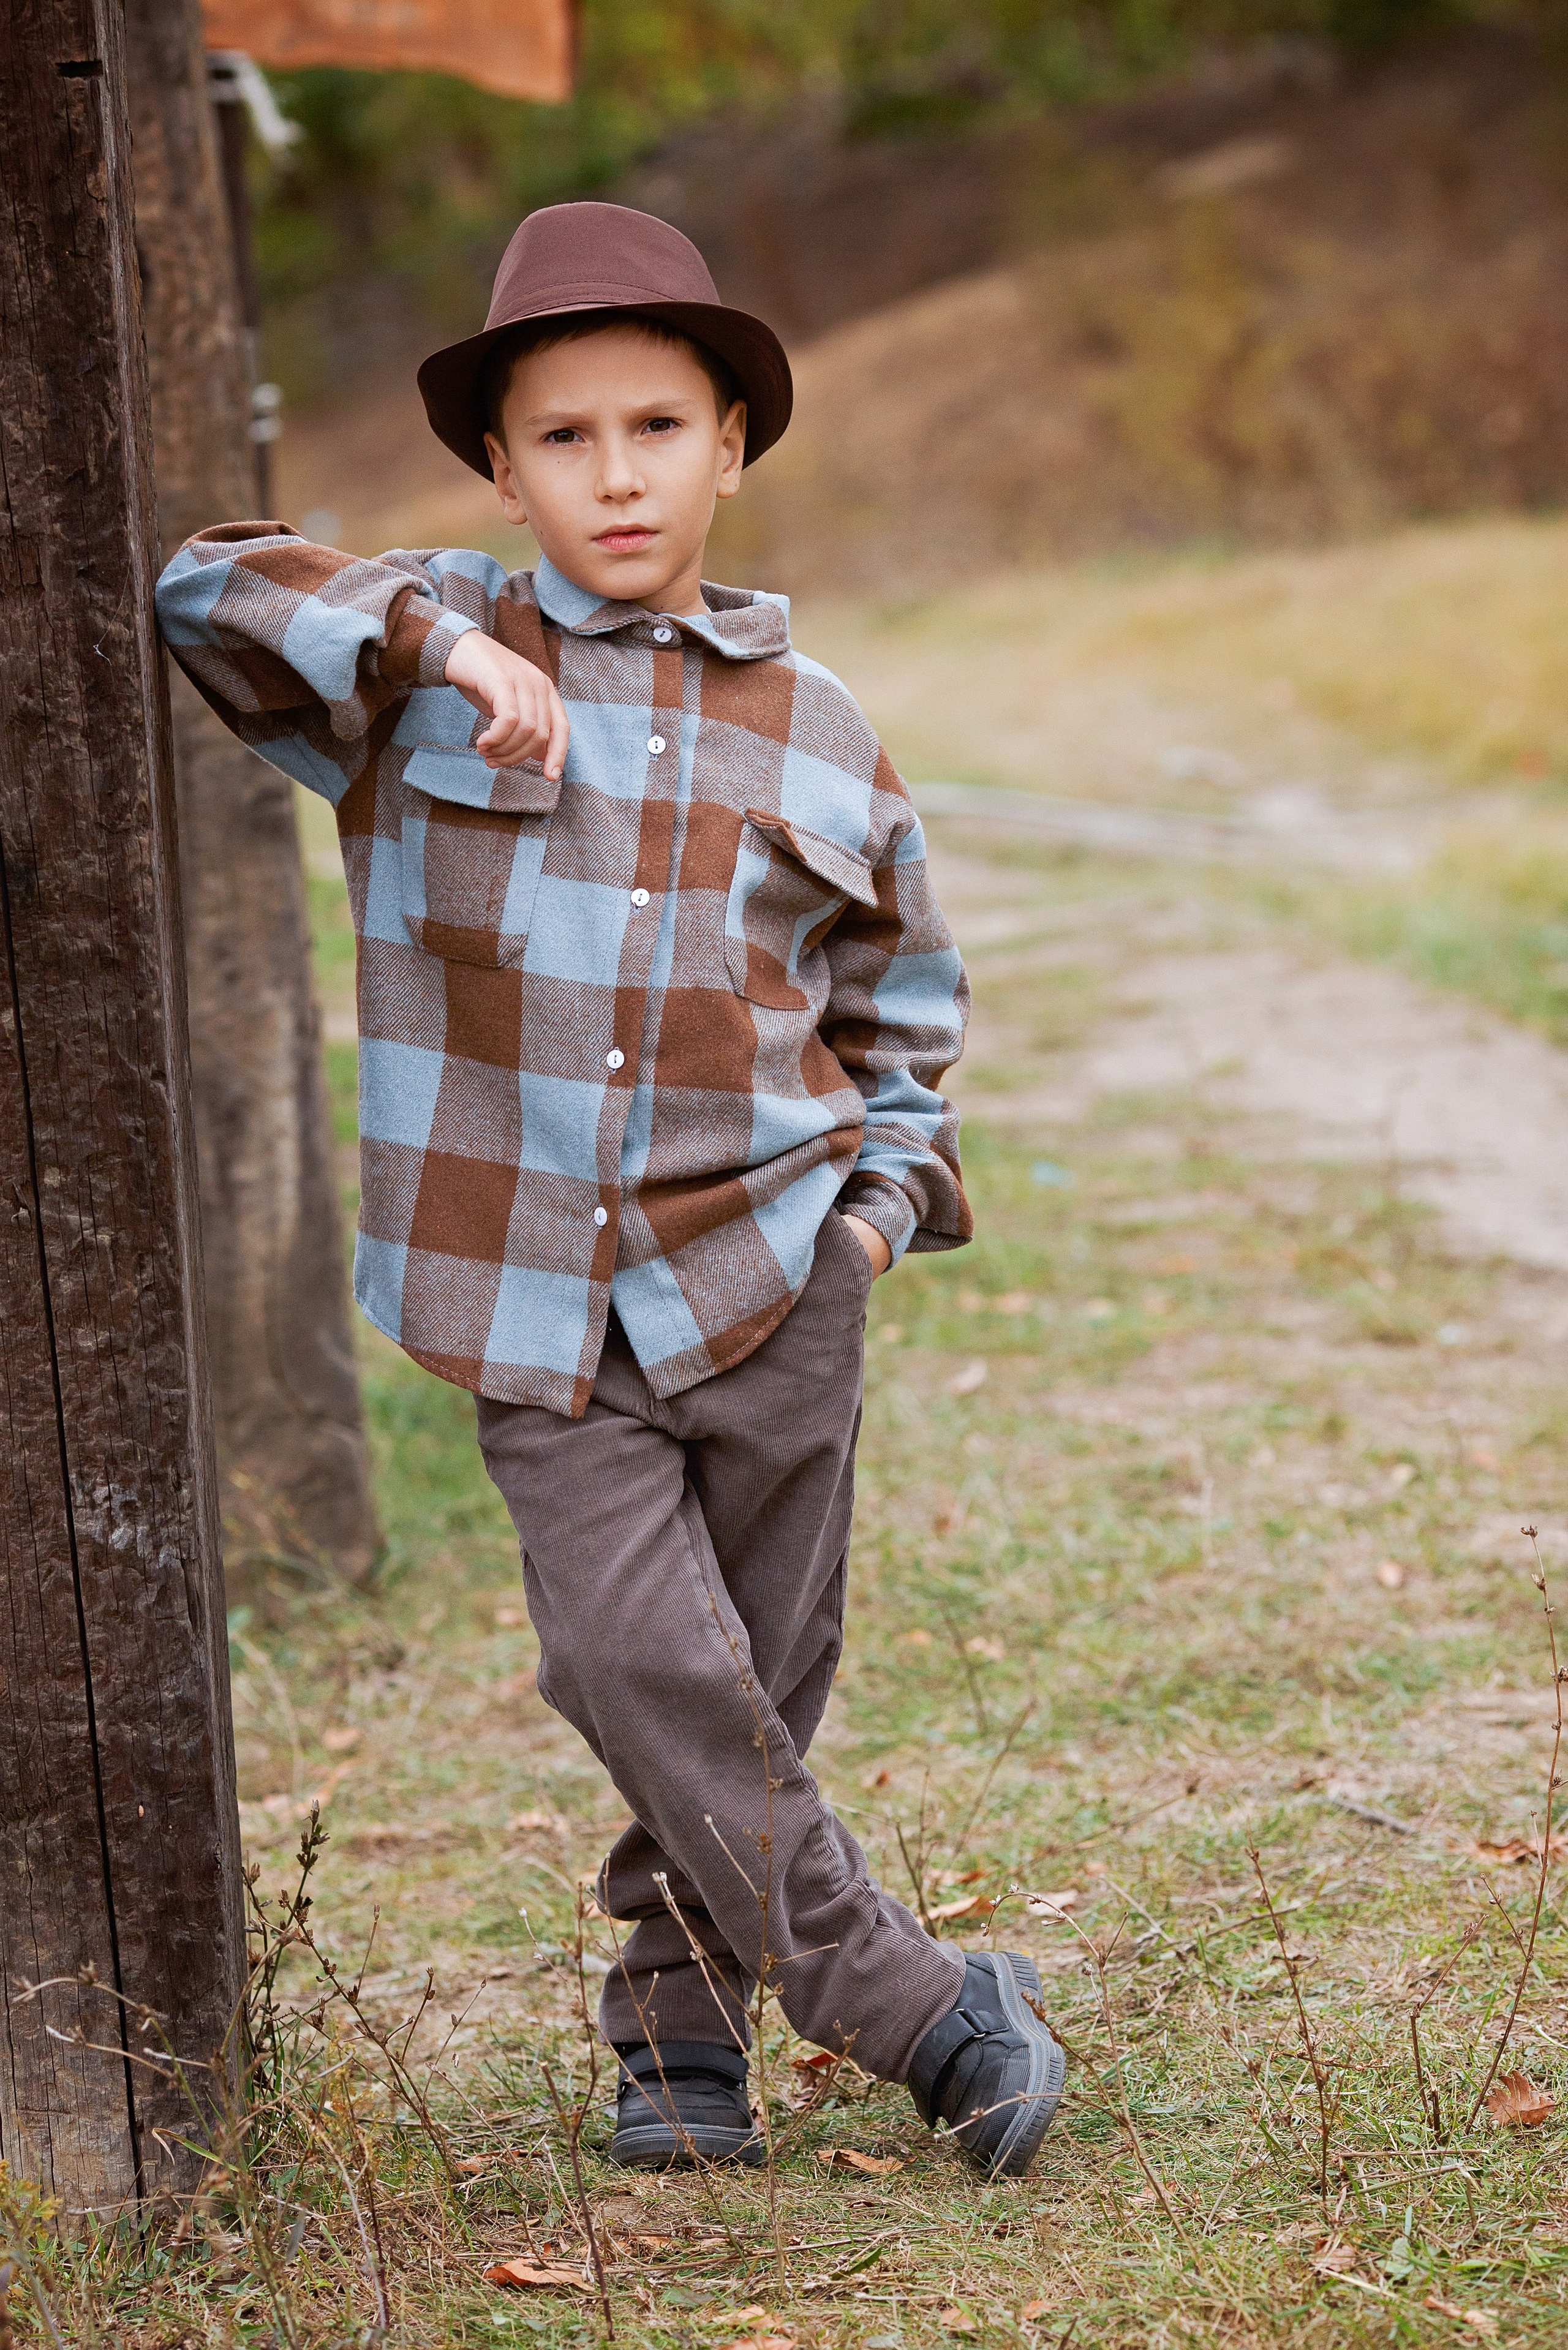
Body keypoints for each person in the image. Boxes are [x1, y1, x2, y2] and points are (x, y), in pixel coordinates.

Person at [156, 200, 1064, 2177]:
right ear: (500, 465)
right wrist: (449, 631)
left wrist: (869, 1224)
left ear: (733, 442)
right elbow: (199, 584)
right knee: (634, 1659)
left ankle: (677, 2049)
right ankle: (920, 2008)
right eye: (563, 438)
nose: (617, 473)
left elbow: (906, 1013)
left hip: (772, 1280)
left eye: (658, 426)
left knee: (743, 1692)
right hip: (527, 1294)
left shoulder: (824, 734)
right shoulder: (414, 675)